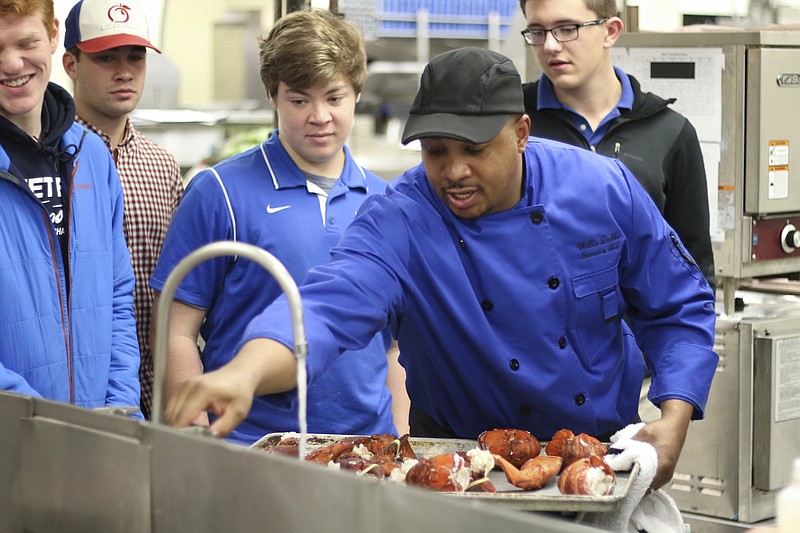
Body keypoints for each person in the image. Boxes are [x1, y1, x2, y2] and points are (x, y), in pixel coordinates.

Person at [164, 47, 718, 490]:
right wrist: (244, 373)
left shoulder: (602, 189)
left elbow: (678, 304)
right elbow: (328, 307)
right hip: (457, 466)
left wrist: (673, 418)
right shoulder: (401, 217)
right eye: (434, 151)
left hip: (590, 455)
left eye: (473, 149)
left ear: (521, 133)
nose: (453, 171)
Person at [150, 8, 406, 445]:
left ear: (357, 94)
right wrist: (196, 440)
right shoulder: (218, 192)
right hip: (251, 445)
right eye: (299, 99)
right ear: (273, 96)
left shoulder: (386, 202)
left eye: (334, 97)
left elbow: (396, 346)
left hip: (370, 449)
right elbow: (176, 331)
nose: (319, 116)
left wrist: (401, 437)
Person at [0, 0, 141, 414]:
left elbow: (117, 297)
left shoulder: (91, 155)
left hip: (99, 434)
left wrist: (121, 409)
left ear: (53, 35)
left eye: (26, 42)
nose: (11, 64)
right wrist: (42, 426)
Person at [518, 0, 716, 290]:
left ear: (610, 31)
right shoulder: (511, 123)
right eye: (537, 31)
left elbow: (692, 273)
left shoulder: (669, 132)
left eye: (566, 29)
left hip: (636, 332)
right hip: (536, 330)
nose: (549, 45)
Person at [61, 0, 184, 420]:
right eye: (105, 57)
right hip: (88, 389)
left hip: (162, 384)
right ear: (71, 64)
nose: (124, 70)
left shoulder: (161, 164)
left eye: (135, 56)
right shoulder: (54, 160)